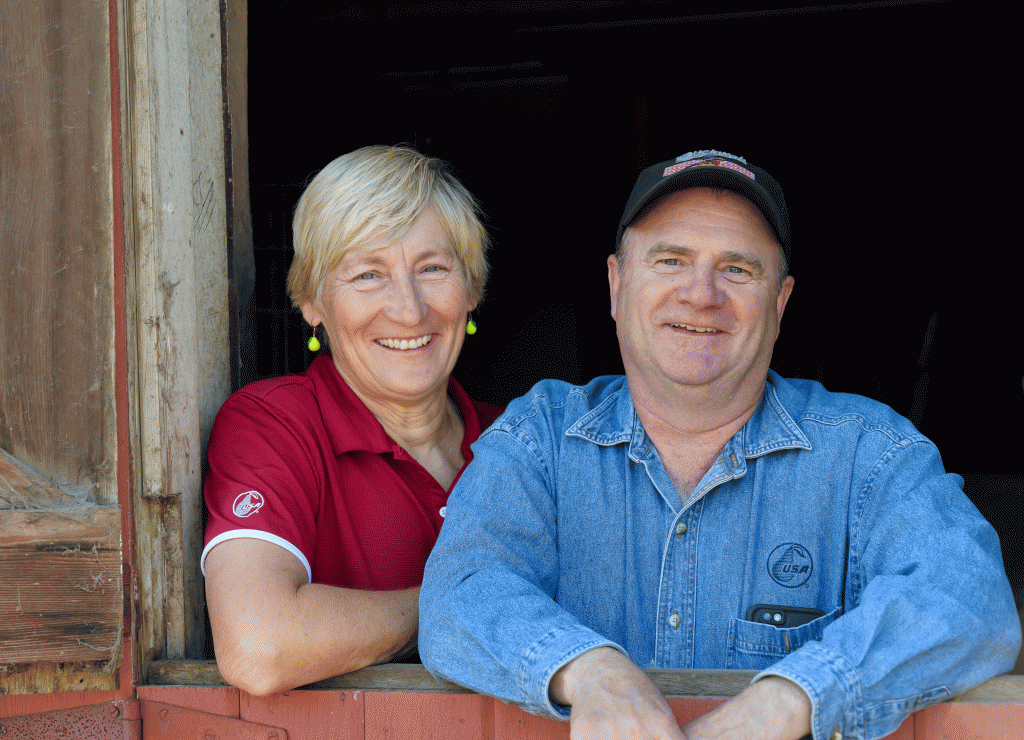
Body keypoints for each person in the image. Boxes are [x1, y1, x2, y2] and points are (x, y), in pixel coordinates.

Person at [418, 149, 1021, 740]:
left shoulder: (870, 452)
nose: (701, 293)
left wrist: (790, 699)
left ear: (780, 303)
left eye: (737, 269)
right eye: (671, 260)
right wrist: (594, 671)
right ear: (616, 284)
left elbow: (966, 597)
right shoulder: (540, 437)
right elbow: (459, 591)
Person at [202, 145, 502, 696]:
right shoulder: (275, 424)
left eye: (432, 269)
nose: (408, 310)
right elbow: (259, 646)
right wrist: (464, 604)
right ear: (313, 303)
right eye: (368, 275)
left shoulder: (522, 440)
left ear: (472, 289)